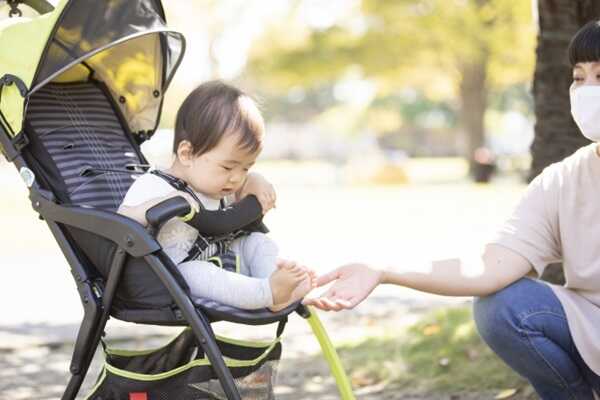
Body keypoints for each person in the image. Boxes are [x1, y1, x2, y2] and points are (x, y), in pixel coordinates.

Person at [304, 21, 600, 399]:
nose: (588, 90)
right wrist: (383, 271)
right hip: (590, 328)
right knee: (503, 306)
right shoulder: (562, 179)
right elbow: (488, 269)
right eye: (579, 78)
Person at [119, 80, 315, 311]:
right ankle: (267, 293)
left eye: (246, 168)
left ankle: (276, 284)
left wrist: (256, 180)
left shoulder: (219, 185)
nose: (236, 178)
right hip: (174, 276)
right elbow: (123, 220)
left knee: (258, 242)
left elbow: (244, 188)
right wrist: (161, 205)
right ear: (187, 153)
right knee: (198, 272)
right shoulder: (155, 185)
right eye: (228, 167)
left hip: (225, 260)